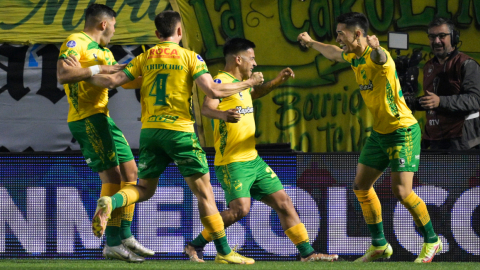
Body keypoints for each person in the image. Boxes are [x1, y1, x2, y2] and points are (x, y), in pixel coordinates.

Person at [70, 10, 264, 264]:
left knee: (143, 189)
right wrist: (247, 84)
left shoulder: (145, 56)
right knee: (205, 193)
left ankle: (111, 200)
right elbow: (214, 90)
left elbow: (113, 81)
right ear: (180, 32)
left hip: (150, 132)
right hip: (180, 132)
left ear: (156, 34)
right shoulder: (190, 57)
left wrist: (83, 72)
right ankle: (225, 252)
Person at [297, 12, 442, 263]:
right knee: (361, 187)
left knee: (402, 191)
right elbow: (332, 52)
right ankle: (379, 245)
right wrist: (310, 42)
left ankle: (432, 241)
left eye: (341, 33)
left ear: (357, 34)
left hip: (402, 131)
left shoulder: (378, 57)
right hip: (379, 134)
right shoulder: (353, 55)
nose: (338, 37)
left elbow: (381, 57)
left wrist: (377, 48)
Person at [183, 37, 339, 263]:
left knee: (283, 202)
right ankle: (194, 245)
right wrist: (223, 115)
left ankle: (308, 254)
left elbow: (253, 94)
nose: (255, 63)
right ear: (238, 59)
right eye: (252, 58)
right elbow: (207, 108)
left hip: (253, 160)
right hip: (232, 161)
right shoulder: (221, 81)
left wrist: (277, 80)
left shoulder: (242, 84)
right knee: (240, 210)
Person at [56, 4, 152, 262]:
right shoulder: (77, 41)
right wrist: (97, 70)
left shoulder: (103, 52)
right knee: (112, 175)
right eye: (114, 26)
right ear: (103, 24)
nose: (113, 31)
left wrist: (152, 73)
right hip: (86, 118)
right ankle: (111, 242)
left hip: (103, 118)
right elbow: (63, 74)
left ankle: (124, 235)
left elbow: (121, 78)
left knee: (131, 173)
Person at [416, 17, 480, 150]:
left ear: (453, 37)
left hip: (461, 142)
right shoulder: (428, 66)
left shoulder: (466, 64)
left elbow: (475, 100)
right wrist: (419, 102)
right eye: (432, 37)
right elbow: (432, 102)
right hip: (433, 141)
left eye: (442, 36)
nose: (437, 41)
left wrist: (440, 101)